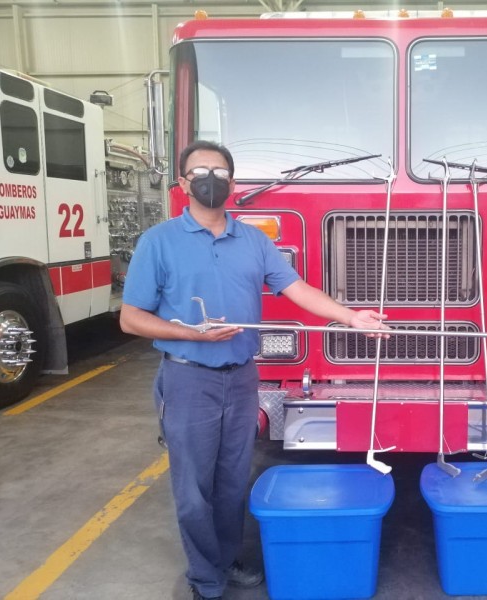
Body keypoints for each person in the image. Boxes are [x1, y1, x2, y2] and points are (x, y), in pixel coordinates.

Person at [119, 140, 389, 600]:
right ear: (182, 183)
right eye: (199, 171)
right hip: (188, 379)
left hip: (242, 377)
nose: (210, 178)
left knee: (230, 482)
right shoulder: (158, 242)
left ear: (233, 184)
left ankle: (227, 559)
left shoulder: (253, 241)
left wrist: (351, 317)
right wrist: (192, 335)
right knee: (192, 490)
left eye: (219, 171)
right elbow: (130, 318)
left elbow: (297, 289)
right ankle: (205, 579)